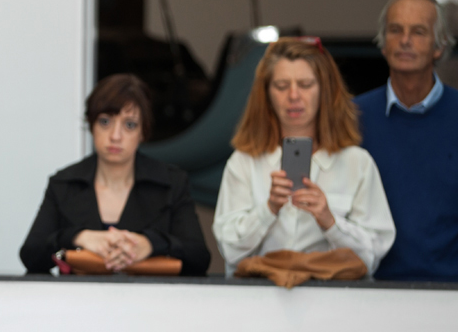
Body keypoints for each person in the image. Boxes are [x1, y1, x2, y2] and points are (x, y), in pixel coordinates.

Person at [213, 37, 395, 276]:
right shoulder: (244, 162)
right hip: (259, 303)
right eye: (281, 85)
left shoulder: (357, 163)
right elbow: (230, 251)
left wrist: (329, 221)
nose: (293, 95)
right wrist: (269, 209)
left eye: (306, 84)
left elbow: (372, 257)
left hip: (334, 305)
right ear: (266, 95)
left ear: (325, 91)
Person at [20, 73, 211, 275]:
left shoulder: (171, 182)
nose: (115, 136)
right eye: (105, 122)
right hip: (79, 301)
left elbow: (199, 258)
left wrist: (150, 244)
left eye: (129, 125)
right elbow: (31, 256)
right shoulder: (64, 183)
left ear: (143, 132)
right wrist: (78, 237)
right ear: (91, 125)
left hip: (150, 301)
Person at [354, 0, 458, 280]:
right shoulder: (351, 118)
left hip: (451, 295)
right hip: (369, 293)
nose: (405, 40)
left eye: (419, 32)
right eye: (395, 30)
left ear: (439, 47)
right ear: (383, 44)